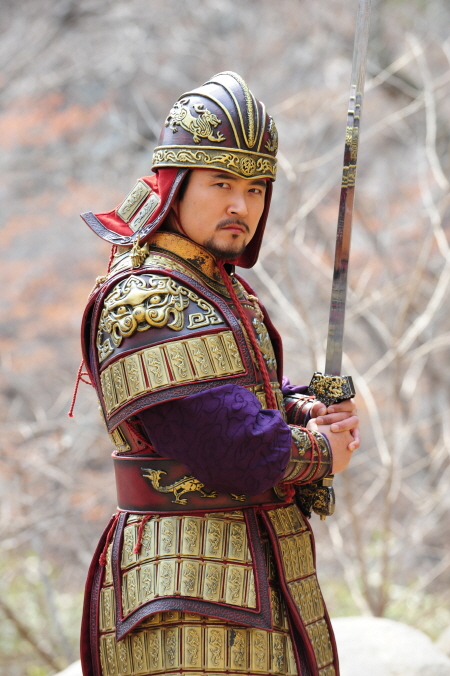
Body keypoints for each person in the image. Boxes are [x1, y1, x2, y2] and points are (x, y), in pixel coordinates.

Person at [78, 71, 359, 676]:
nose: (242, 206)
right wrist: (318, 451)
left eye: (256, 188)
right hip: (180, 587)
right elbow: (226, 442)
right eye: (222, 183)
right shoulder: (145, 297)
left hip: (257, 568)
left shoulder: (219, 287)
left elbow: (242, 396)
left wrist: (303, 408)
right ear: (176, 184)